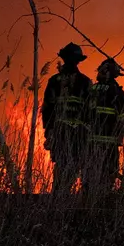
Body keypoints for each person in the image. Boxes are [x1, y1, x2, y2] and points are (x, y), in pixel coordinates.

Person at [42, 43, 92, 193]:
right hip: (73, 134)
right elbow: (48, 109)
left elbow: (47, 109)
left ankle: (60, 199)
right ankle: (64, 199)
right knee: (70, 165)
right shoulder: (85, 81)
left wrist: (49, 131)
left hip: (67, 133)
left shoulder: (55, 81)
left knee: (66, 166)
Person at [84, 58, 124, 194]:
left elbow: (84, 113)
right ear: (112, 74)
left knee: (90, 171)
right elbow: (123, 113)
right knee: (109, 171)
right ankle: (104, 195)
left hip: (91, 141)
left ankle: (89, 196)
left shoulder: (92, 89)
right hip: (109, 141)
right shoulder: (115, 90)